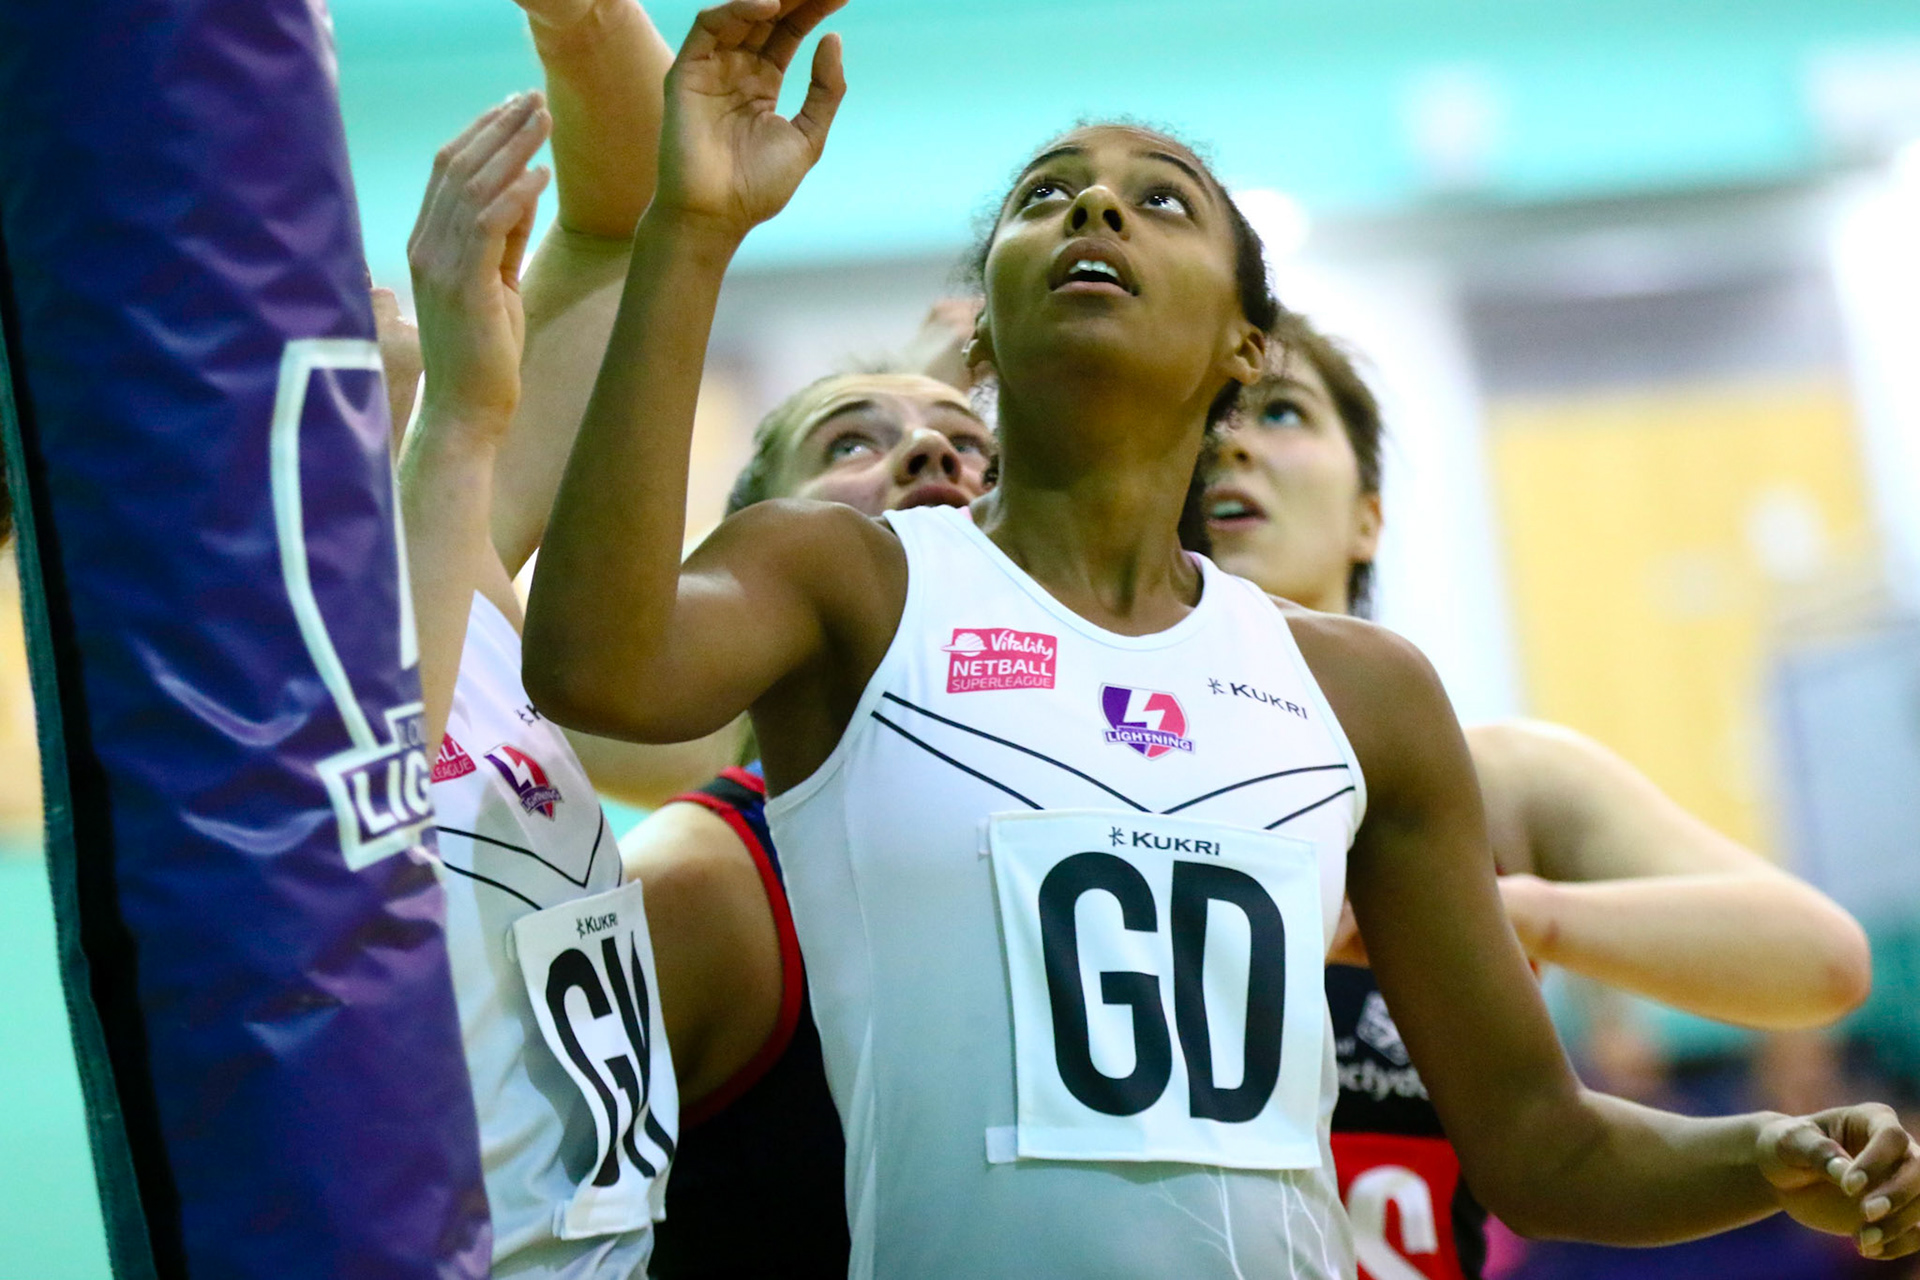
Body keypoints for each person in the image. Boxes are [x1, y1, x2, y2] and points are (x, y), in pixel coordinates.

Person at [523, 2, 1920, 1274]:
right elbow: (593, 662)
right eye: (1047, 196)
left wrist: (1763, 1157)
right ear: (988, 344)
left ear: (1243, 349)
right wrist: (688, 234)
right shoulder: (848, 577)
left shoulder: (1362, 694)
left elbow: (1542, 1150)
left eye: (1160, 202)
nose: (1097, 213)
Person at [1198, 309, 1876, 1279]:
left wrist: (1500, 912)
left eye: (1282, 411)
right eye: (1210, 420)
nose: (1234, 444)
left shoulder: (1495, 777)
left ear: (1368, 513)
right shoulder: (1110, 761)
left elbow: (1818, 960)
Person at [393, 2, 687, 1274]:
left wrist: (576, 21)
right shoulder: (199, 655)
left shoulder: (452, 549)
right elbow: (344, 803)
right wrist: (455, 411)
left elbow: (634, 221)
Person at [624, 367, 994, 1278]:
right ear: (752, 554)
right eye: (850, 442)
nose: (931, 452)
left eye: (976, 446)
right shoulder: (694, 880)